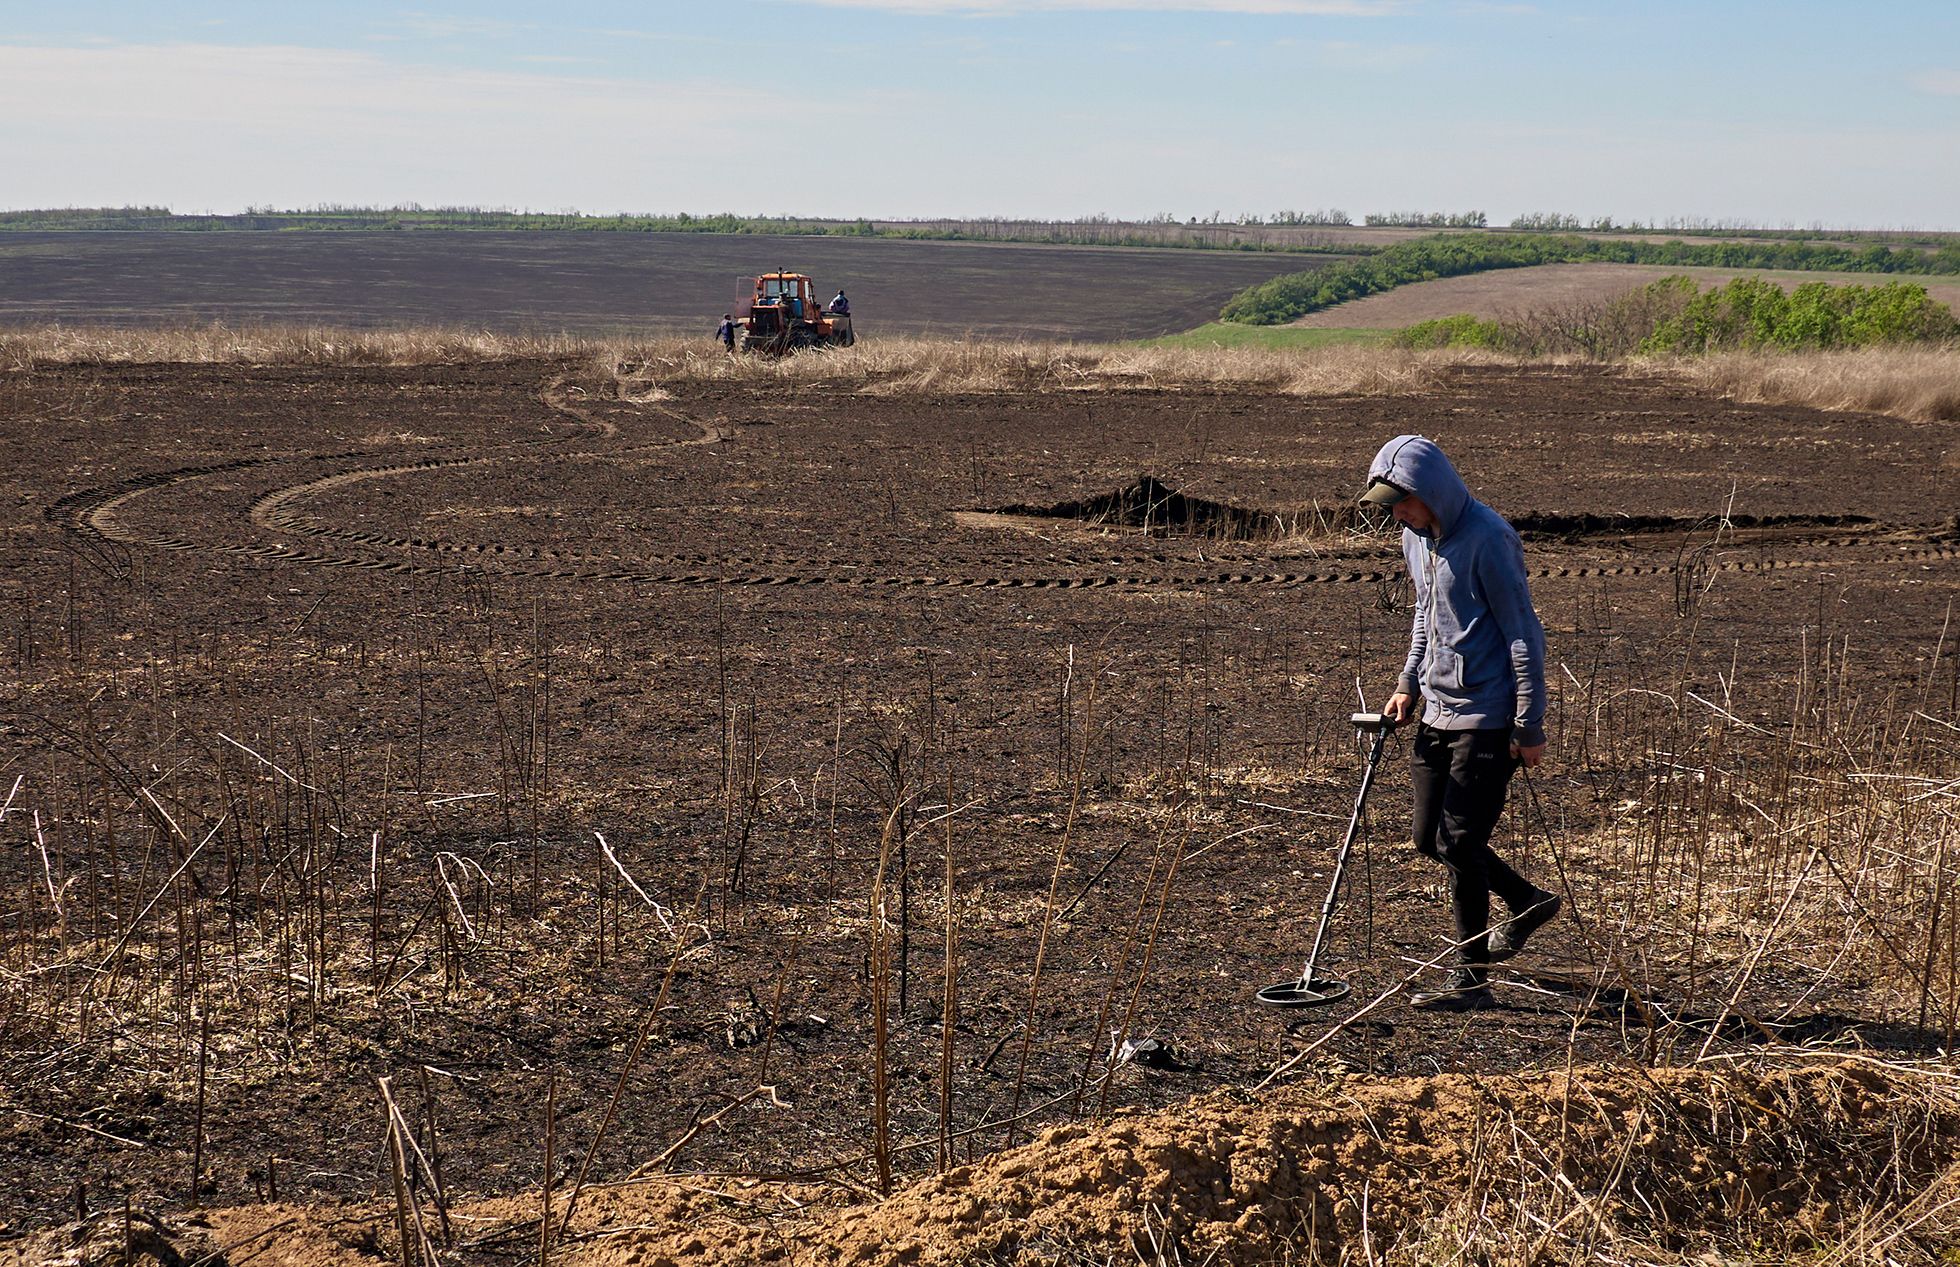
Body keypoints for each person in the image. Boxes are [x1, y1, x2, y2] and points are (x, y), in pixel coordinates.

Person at [1360, 435, 1561, 1011]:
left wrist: (1528, 724)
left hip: (1489, 715)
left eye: (1402, 502)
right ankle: (1527, 902)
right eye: (1389, 507)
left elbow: (1523, 633)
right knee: (1431, 838)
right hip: (1437, 708)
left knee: (1461, 841)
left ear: (1432, 492)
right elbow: (1426, 614)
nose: (1396, 515)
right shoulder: (1415, 538)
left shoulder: (1490, 539)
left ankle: (1471, 981)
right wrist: (1408, 683)